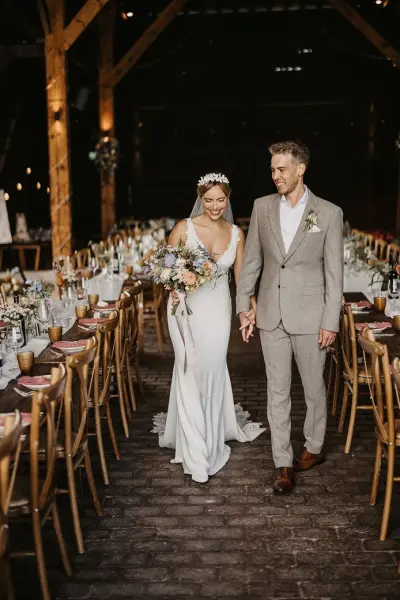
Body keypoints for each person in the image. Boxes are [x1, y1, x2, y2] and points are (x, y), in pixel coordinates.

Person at [237, 141, 343, 494]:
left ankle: (313, 447)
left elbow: (334, 274)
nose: (276, 176)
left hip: (313, 316)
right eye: (272, 170)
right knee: (276, 391)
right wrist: (243, 306)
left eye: (282, 169)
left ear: (301, 169)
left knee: (314, 389)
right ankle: (282, 463)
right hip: (271, 314)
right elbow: (251, 261)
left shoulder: (328, 213)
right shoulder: (262, 207)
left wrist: (330, 320)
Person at [152, 173, 265, 483]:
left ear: (228, 198)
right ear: (200, 198)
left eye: (221, 200)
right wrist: (173, 286)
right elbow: (164, 268)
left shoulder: (236, 233)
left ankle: (211, 437)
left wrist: (249, 310)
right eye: (209, 200)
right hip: (183, 310)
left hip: (217, 310)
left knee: (212, 368)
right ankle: (196, 453)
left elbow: (241, 280)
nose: (215, 206)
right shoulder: (183, 228)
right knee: (188, 368)